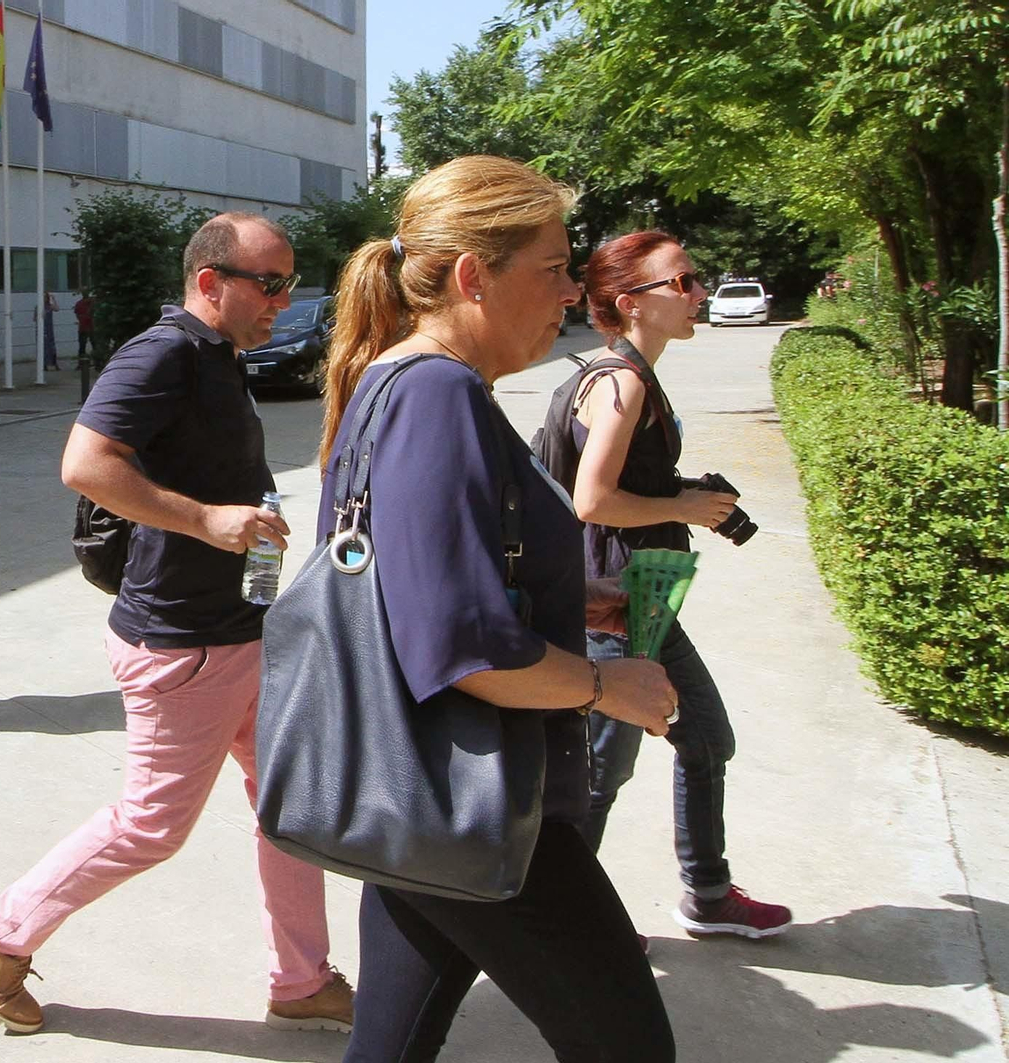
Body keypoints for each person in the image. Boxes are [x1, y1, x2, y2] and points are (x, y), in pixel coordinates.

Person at [318, 156, 678, 1063]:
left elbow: (419, 578)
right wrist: (607, 684)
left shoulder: (393, 382)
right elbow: (460, 645)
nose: (568, 291)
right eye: (552, 267)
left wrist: (570, 595)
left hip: (419, 798)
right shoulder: (436, 394)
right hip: (473, 798)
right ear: (474, 275)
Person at [0, 212, 353, 1036]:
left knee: (287, 801)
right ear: (211, 282)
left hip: (241, 627)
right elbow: (85, 462)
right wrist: (207, 519)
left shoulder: (218, 356)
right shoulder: (163, 353)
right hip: (182, 644)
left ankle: (301, 976)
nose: (285, 298)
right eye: (270, 283)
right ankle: (3, 925)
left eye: (289, 281)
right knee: (151, 825)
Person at [568, 231, 793, 938]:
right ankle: (569, 919)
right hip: (617, 602)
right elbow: (592, 499)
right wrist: (680, 506)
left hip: (642, 595)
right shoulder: (623, 380)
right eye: (684, 282)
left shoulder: (623, 372)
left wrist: (685, 492)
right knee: (604, 769)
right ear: (631, 302)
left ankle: (706, 889)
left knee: (700, 738)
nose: (699, 294)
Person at [73, 290, 95, 362]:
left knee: (83, 346)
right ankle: (96, 362)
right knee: (92, 345)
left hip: (86, 326)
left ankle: (81, 363)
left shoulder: (80, 303)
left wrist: (81, 319)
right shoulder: (92, 302)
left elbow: (77, 315)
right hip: (89, 327)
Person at [42, 290, 59, 370]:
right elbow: (35, 318)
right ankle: (44, 364)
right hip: (43, 329)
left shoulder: (49, 306)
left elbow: (57, 308)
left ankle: (54, 363)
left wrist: (53, 299)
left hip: (49, 328)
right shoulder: (40, 307)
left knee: (52, 346)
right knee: (44, 347)